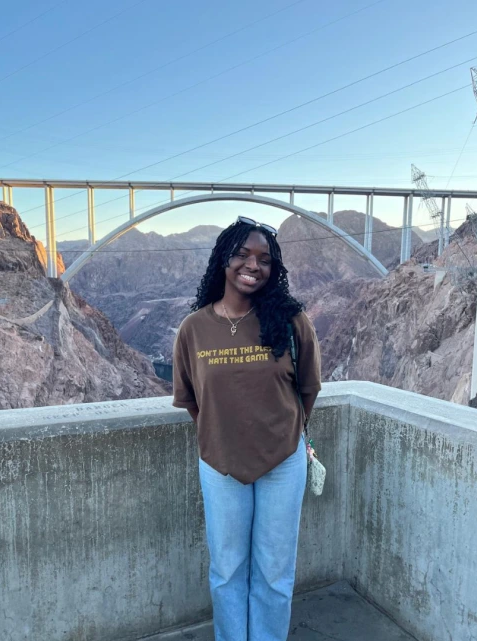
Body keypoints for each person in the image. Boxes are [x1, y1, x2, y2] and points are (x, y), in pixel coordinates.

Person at [171, 217, 321, 641]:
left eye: (264, 259)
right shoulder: (193, 329)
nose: (253, 265)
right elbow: (191, 400)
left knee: (274, 573)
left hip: (283, 463)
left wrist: (281, 432)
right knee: (227, 571)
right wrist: (222, 436)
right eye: (242, 254)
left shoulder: (290, 322)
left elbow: (308, 389)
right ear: (223, 258)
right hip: (220, 466)